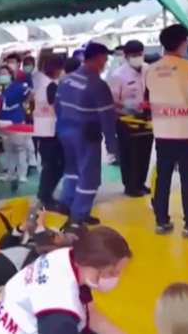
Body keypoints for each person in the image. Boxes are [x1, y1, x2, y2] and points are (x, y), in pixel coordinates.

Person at [0, 226, 131, 334]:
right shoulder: (60, 306)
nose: (115, 278)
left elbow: (92, 315)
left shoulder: (72, 258)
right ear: (92, 266)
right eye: (112, 272)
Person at [145, 25, 188, 236]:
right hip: (187, 132)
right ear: (183, 42)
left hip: (162, 132)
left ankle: (161, 221)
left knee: (162, 178)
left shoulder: (150, 70)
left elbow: (148, 98)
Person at [55, 43, 116, 232]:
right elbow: (107, 119)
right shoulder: (97, 85)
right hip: (86, 133)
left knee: (72, 171)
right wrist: (112, 146)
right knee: (89, 176)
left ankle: (65, 206)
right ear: (98, 58)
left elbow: (57, 106)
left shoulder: (66, 79)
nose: (105, 63)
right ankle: (78, 216)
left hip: (65, 129)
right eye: (105, 59)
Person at [107, 40, 153, 198]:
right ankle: (130, 186)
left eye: (140, 54)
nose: (138, 57)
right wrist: (128, 105)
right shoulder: (118, 75)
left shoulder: (149, 69)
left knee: (145, 151)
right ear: (126, 56)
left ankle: (141, 183)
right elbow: (111, 100)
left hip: (147, 117)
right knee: (129, 154)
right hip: (126, 118)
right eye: (134, 55)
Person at [34, 54, 66, 210]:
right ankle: (45, 196)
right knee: (54, 166)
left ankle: (45, 195)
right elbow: (56, 104)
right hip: (51, 131)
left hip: (42, 130)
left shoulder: (40, 82)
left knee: (51, 165)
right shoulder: (52, 86)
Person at [0, 64, 33, 186]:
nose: (2, 76)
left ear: (11, 75)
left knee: (19, 148)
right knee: (9, 149)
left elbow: (30, 92)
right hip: (3, 122)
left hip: (16, 121)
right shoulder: (1, 90)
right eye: (1, 74)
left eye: (5, 73)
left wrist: (25, 103)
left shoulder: (17, 87)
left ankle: (22, 173)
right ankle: (11, 172)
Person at [21, 55, 39, 174]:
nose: (27, 67)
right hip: (25, 110)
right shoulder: (22, 78)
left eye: (29, 64)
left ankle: (33, 160)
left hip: (34, 109)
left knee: (33, 135)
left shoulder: (36, 78)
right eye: (25, 64)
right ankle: (30, 161)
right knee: (27, 135)